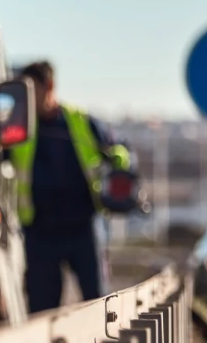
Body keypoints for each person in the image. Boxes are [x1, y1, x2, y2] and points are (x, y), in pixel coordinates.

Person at [9, 60, 132, 314]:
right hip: (40, 230)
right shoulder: (18, 127)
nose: (27, 99)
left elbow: (120, 150)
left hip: (83, 227)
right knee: (41, 310)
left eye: (32, 91)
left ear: (49, 87)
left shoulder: (81, 122)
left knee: (98, 304)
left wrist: (116, 160)